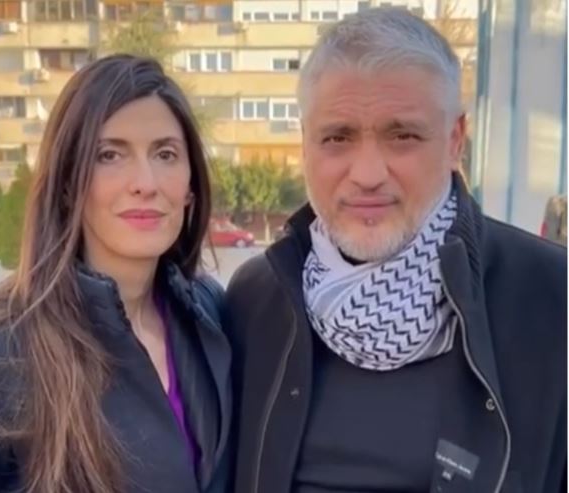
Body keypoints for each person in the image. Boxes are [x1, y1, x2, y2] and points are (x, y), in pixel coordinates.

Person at [226, 8, 566, 493]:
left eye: (403, 136)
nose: (367, 174)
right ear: (304, 144)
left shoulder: (551, 300)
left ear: (454, 140)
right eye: (337, 137)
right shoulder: (257, 300)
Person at [0, 55, 231, 493]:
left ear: (191, 185)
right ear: (67, 183)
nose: (145, 182)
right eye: (109, 155)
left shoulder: (211, 316)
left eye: (166, 154)